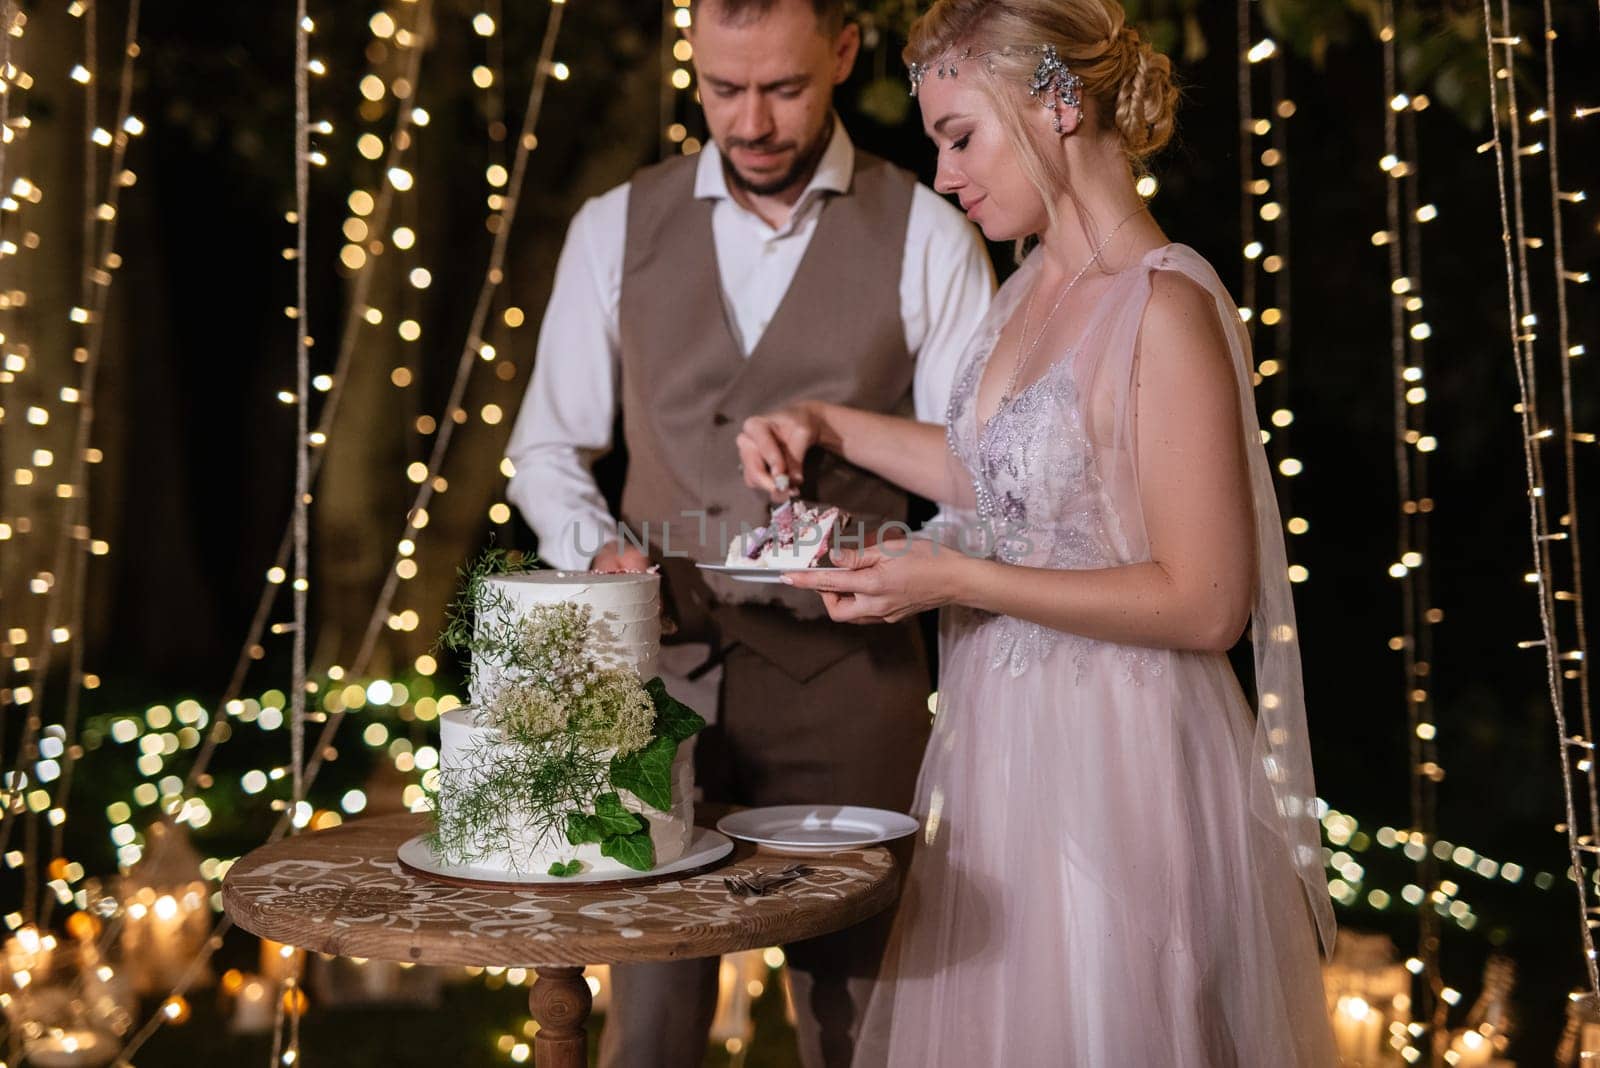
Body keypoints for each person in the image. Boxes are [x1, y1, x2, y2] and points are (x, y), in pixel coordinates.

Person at [736, 0, 1339, 1063]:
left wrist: (956, 579)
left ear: (1057, 103)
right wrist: (825, 424)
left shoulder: (1165, 307)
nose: (943, 176)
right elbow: (999, 477)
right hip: (997, 746)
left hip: (1118, 753)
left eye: (959, 136)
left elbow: (1206, 603)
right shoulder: (1023, 290)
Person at [502, 0, 995, 1063]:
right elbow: (547, 448)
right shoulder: (613, 227)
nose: (752, 121)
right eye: (723, 89)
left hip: (852, 684)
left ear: (845, 54)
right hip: (648, 680)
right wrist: (600, 554)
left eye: (783, 87)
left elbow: (985, 477)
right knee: (647, 1027)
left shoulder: (929, 233)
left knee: (865, 1019)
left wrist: (911, 560)